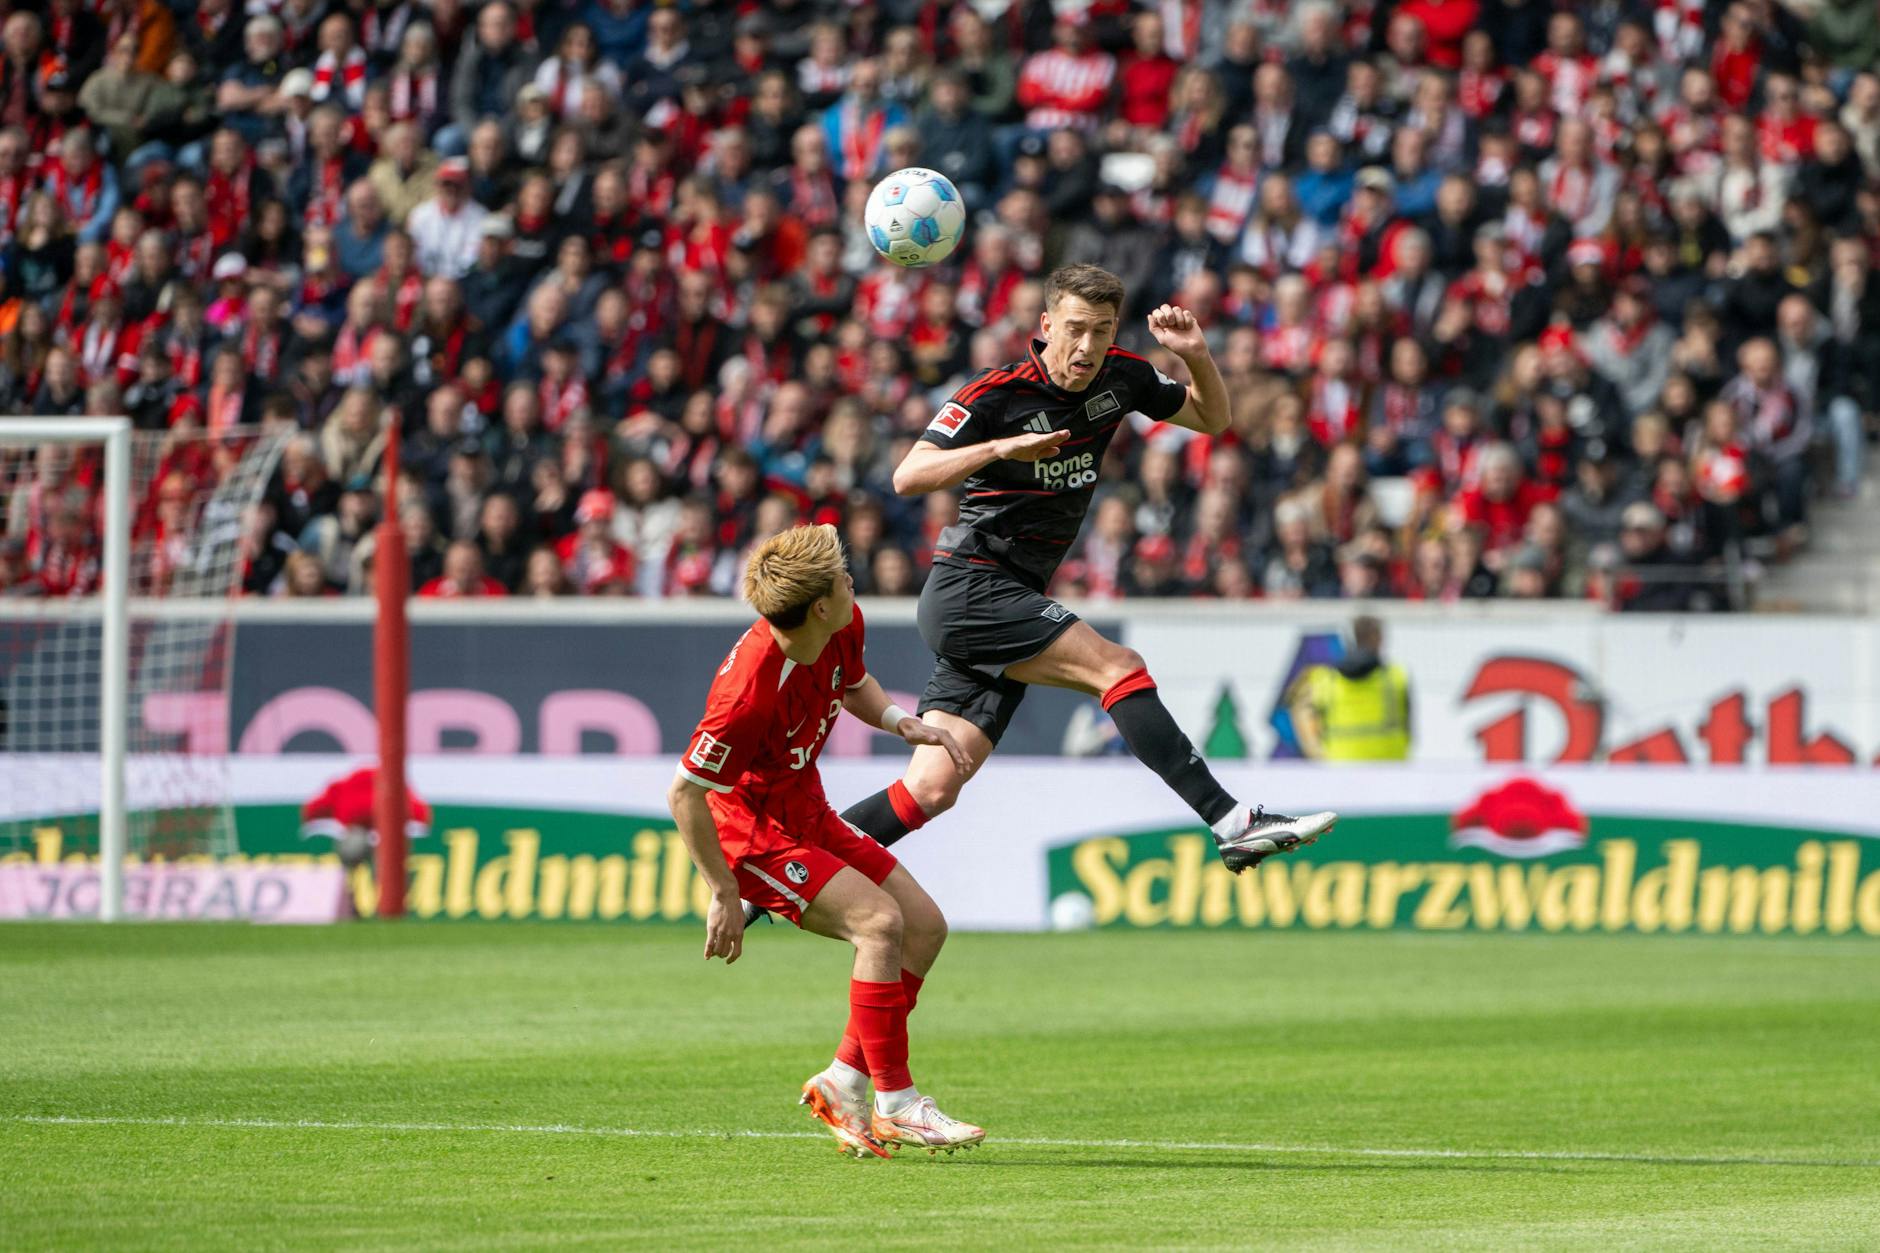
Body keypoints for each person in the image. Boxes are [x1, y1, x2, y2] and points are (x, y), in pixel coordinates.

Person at [836, 264, 1336, 878]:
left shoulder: (1123, 376)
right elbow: (907, 475)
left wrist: (1196, 356)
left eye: (1101, 330)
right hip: (970, 585)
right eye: (1075, 328)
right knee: (1117, 667)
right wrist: (1000, 448)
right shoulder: (995, 394)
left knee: (931, 789)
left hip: (1008, 596)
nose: (1087, 345)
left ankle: (790, 864)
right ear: (1046, 325)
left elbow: (1212, 420)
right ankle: (1233, 823)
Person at [667, 523, 984, 1158]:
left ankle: (843, 1080)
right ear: (818, 606)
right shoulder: (746, 693)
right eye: (842, 578)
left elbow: (852, 682)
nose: (851, 581)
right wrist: (723, 891)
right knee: (878, 924)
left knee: (924, 927)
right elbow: (684, 795)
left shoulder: (840, 622)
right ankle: (896, 1102)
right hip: (753, 834)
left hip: (805, 808)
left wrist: (901, 723)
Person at [1288, 615, 1413, 762]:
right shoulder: (1396, 677)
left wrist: (1318, 753)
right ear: (1379, 639)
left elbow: (1300, 713)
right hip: (1389, 766)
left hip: (1341, 767)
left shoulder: (1327, 680)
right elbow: (1409, 726)